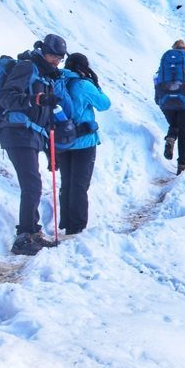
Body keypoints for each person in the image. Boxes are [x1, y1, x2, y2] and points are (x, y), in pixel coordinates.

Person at [0, 34, 68, 255]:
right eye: (53, 56)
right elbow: (5, 97)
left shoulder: (47, 77)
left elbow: (44, 116)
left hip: (32, 136)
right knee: (32, 184)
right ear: (42, 51)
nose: (56, 61)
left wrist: (50, 151)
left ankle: (32, 231)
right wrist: (34, 99)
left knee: (33, 184)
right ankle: (23, 237)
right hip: (17, 133)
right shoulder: (27, 68)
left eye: (59, 58)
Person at [55, 52, 110, 236]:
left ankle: (66, 221)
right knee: (79, 184)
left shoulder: (58, 82)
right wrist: (95, 84)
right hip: (84, 141)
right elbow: (104, 104)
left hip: (62, 140)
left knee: (67, 182)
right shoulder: (84, 85)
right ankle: (76, 226)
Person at [155, 40, 185, 174]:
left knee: (174, 125)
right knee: (183, 133)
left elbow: (157, 81)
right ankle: (181, 166)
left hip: (166, 103)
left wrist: (158, 99)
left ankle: (171, 138)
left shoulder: (164, 67)